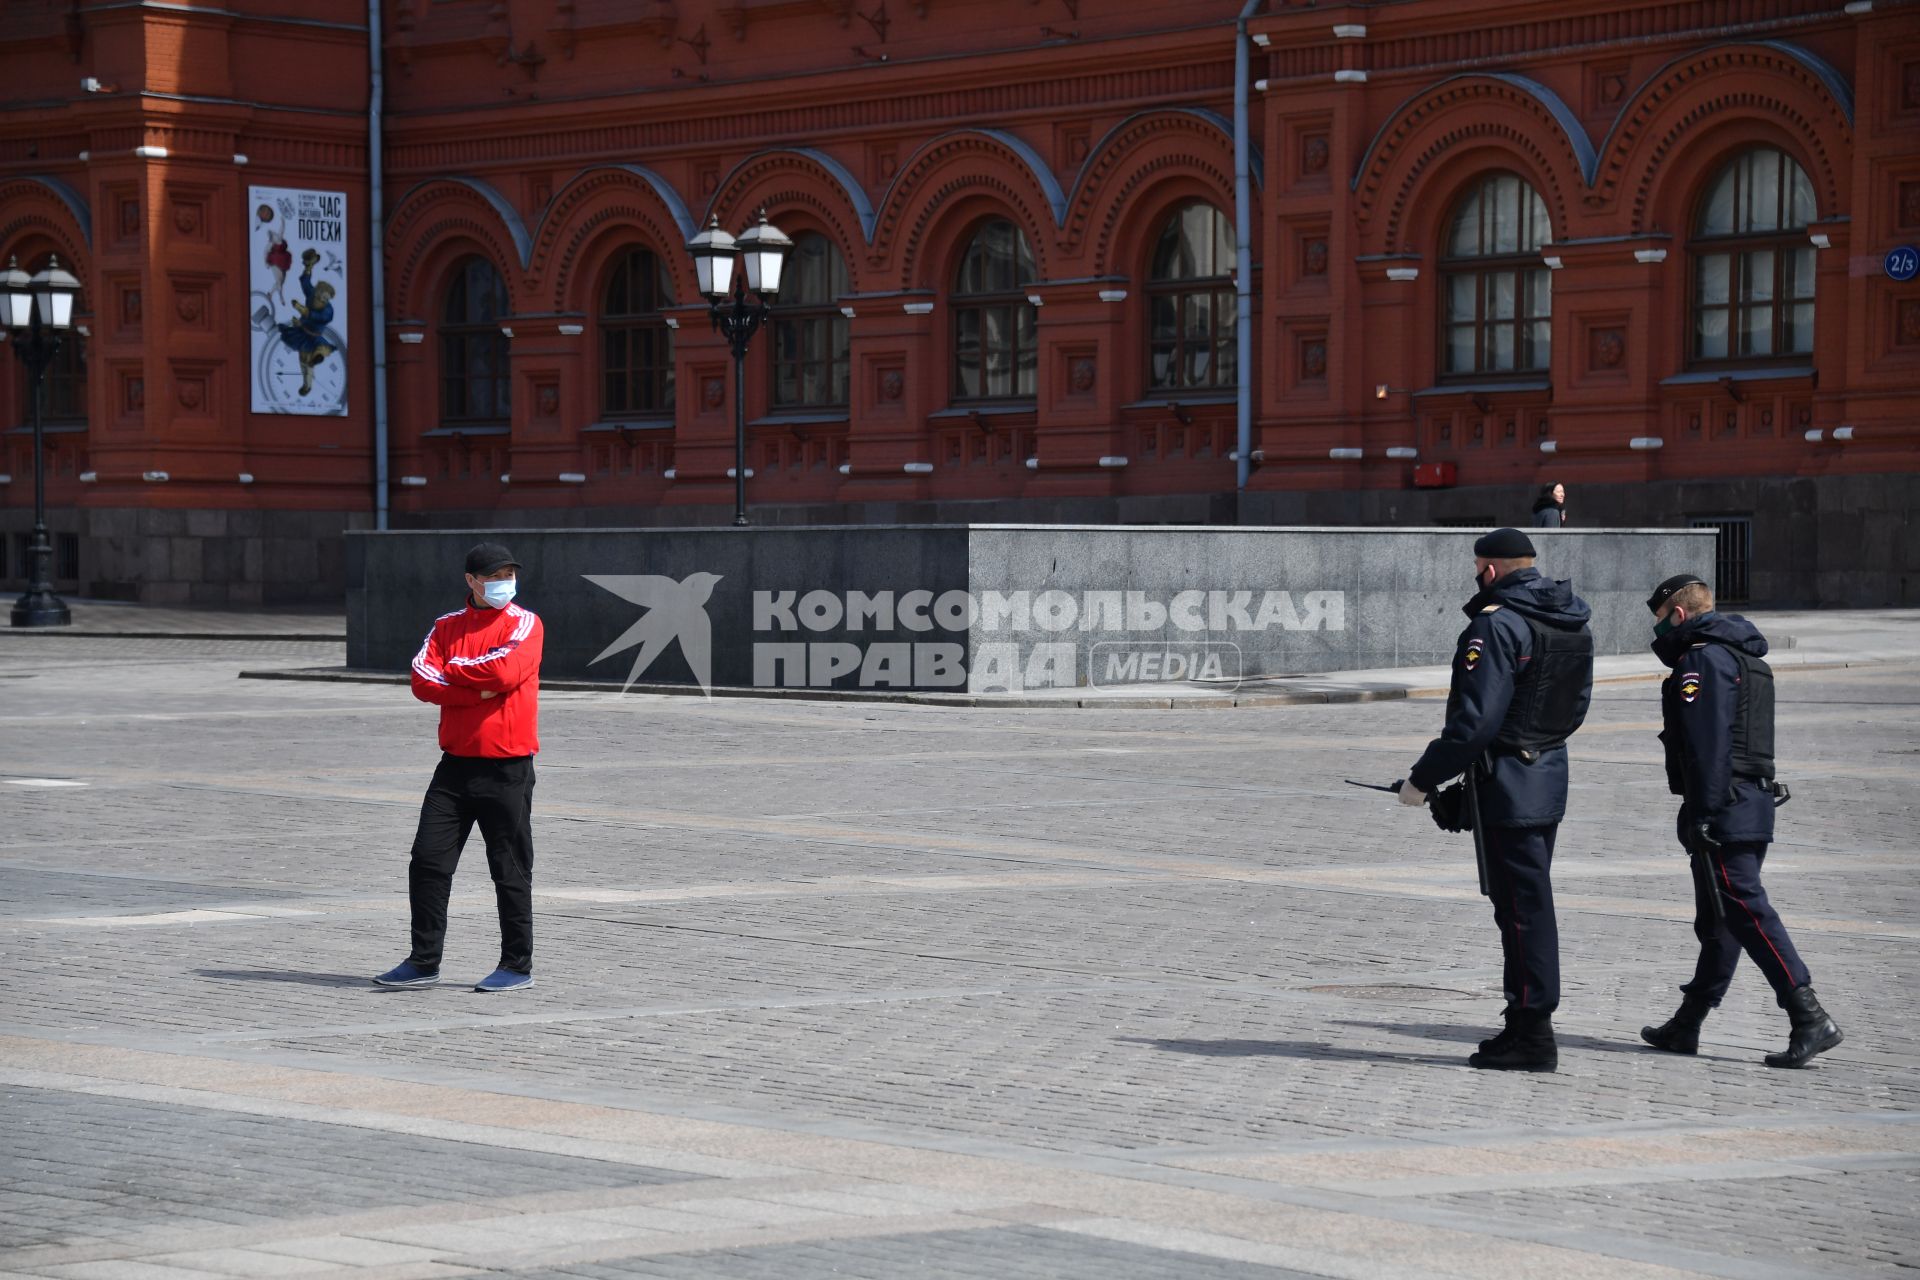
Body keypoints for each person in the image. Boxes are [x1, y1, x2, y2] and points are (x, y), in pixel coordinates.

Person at [1397, 528, 1594, 1071]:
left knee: (1522, 910)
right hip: (1548, 772)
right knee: (1523, 905)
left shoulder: (1497, 624)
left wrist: (1422, 780)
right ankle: (1524, 1024)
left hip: (1508, 783)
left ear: (1489, 571)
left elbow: (1474, 723)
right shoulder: (1569, 617)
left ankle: (1532, 1031)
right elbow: (1573, 708)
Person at [1639, 574, 1842, 1068]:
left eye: (1662, 620)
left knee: (1745, 910)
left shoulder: (1703, 659)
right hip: (1750, 799)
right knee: (1721, 919)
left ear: (1679, 615)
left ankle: (1808, 1015)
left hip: (1725, 803)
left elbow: (1709, 744)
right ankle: (1687, 1023)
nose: (1660, 632)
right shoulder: (1747, 658)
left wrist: (1705, 811)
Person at [375, 542, 545, 994]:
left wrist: (454, 676)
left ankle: (516, 964)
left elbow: (506, 673)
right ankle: (423, 960)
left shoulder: (525, 623)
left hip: (507, 766)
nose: (502, 583)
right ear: (470, 580)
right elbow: (421, 680)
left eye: (508, 573)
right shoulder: (446, 626)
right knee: (427, 861)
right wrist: (474, 689)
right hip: (454, 767)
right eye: (492, 576)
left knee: (508, 867)